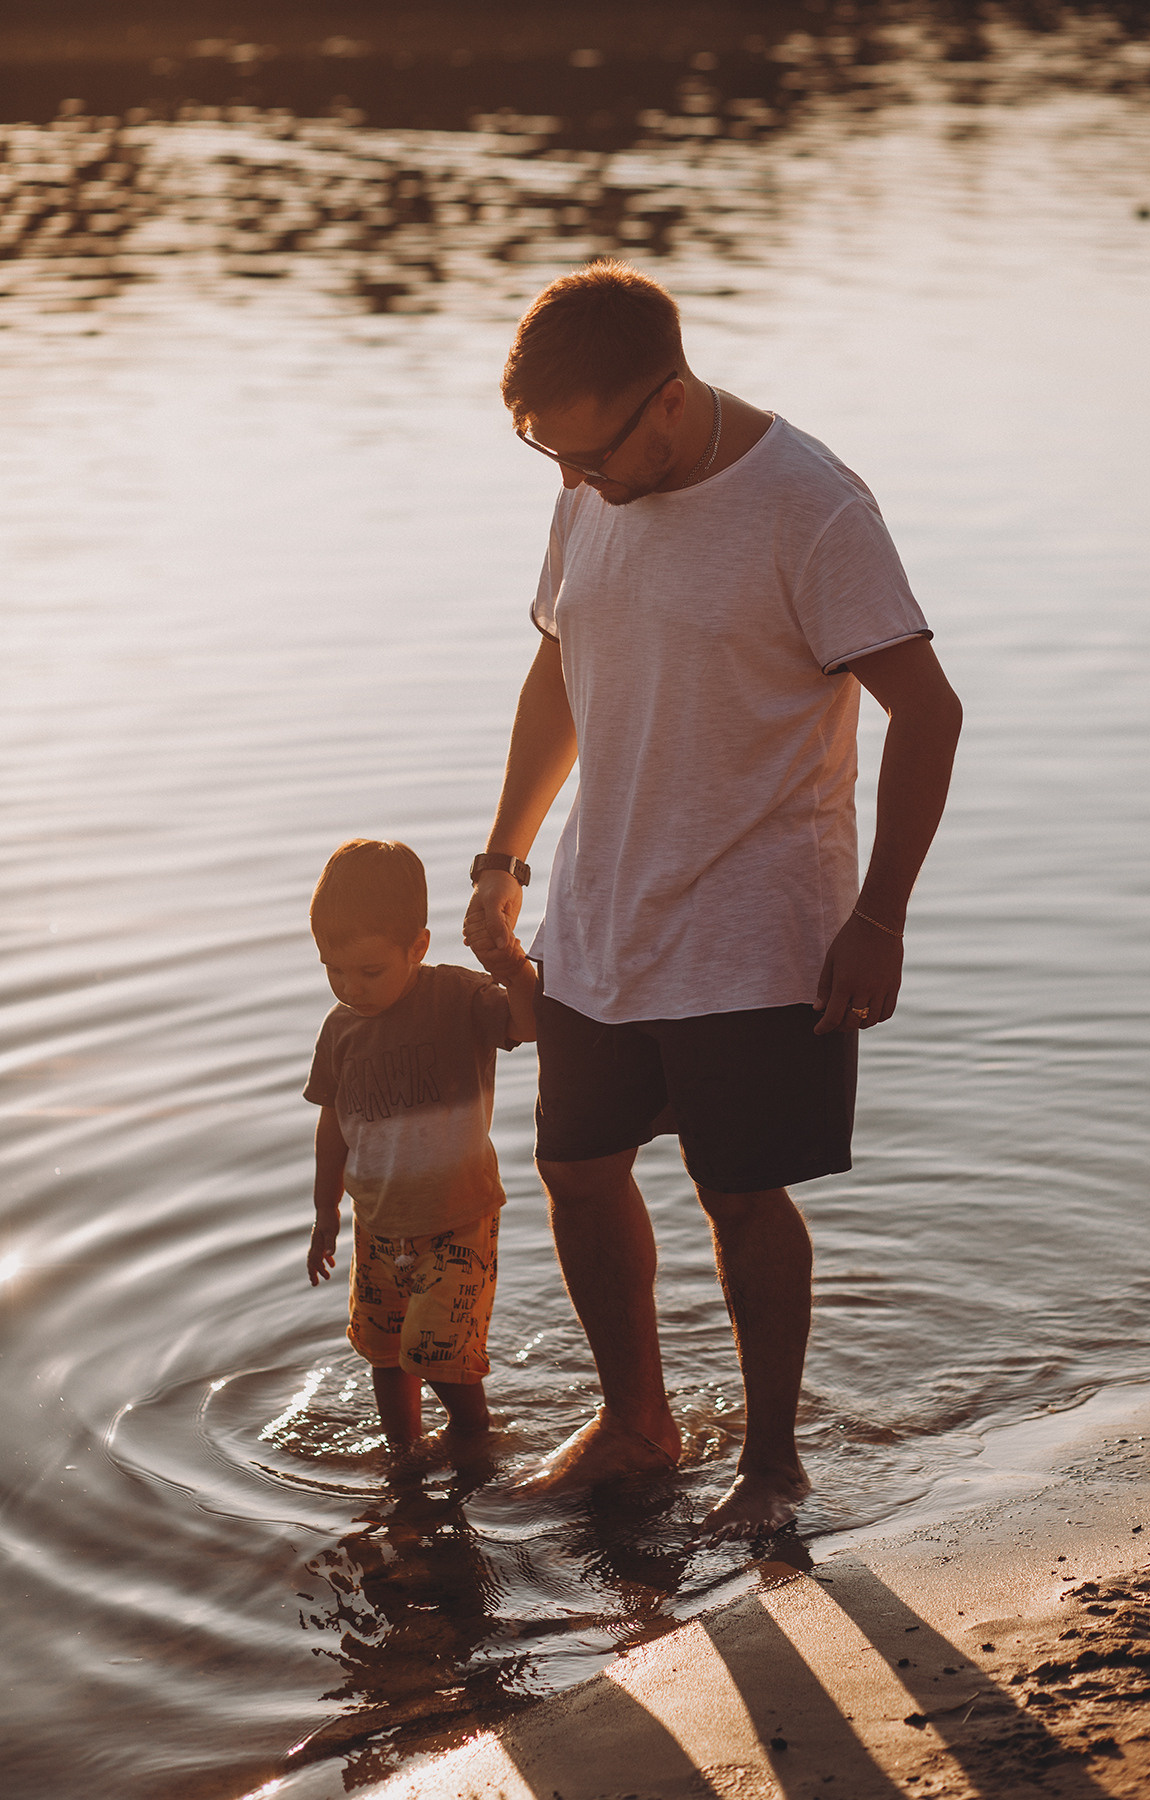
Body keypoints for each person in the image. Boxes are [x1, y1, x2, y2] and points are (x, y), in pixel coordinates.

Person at [464, 260, 963, 1539]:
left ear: (672, 400)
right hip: (599, 912)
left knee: (740, 1195)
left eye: (593, 455)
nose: (578, 483)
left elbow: (928, 712)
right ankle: (637, 1423)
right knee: (576, 1169)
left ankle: (773, 1465)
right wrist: (504, 858)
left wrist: (880, 916)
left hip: (757, 926)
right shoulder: (589, 488)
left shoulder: (811, 507)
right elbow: (559, 666)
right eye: (550, 456)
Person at [304, 838, 537, 1455]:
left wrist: (514, 969)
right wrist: (325, 1211)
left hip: (458, 1219)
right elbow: (333, 1127)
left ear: (418, 947)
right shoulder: (340, 1031)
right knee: (385, 1352)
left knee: (441, 1355)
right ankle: (404, 1456)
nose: (350, 987)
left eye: (369, 971)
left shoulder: (457, 998)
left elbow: (531, 1024)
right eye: (333, 970)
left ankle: (471, 1439)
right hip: (377, 1226)